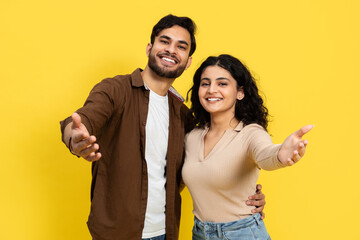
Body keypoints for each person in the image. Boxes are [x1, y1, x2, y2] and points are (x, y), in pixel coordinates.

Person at [60, 16, 266, 240]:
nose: (171, 50)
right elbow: (83, 119)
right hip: (117, 233)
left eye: (181, 46)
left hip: (166, 232)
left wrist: (244, 197)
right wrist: (75, 138)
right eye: (164, 41)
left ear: (187, 61)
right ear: (150, 47)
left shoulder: (183, 115)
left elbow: (209, 162)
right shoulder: (115, 90)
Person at [182, 54, 313, 240]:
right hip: (200, 233)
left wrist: (280, 155)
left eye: (222, 84)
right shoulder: (192, 136)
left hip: (242, 234)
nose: (212, 90)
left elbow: (265, 153)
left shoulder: (251, 133)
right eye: (205, 83)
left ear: (240, 92)